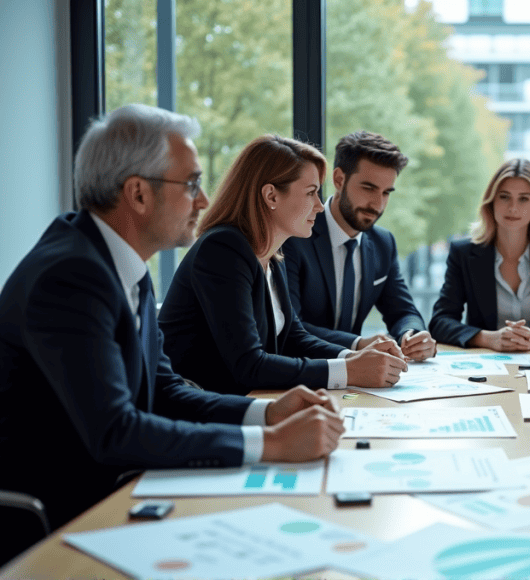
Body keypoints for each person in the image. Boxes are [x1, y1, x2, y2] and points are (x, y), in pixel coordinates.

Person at [0, 105, 344, 551]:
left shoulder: (122, 266)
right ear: (139, 194)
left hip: (116, 490)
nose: (203, 201)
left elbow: (166, 390)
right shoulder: (70, 276)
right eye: (191, 184)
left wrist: (265, 414)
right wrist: (269, 443)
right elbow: (115, 432)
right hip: (57, 518)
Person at [158, 135, 407, 396]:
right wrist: (349, 371)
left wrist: (354, 355)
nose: (320, 206)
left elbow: (292, 337)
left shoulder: (272, 254)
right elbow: (249, 365)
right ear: (271, 196)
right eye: (311, 193)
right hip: (196, 411)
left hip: (242, 401)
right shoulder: (223, 249)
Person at [282, 131, 436, 361]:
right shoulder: (295, 237)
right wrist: (358, 344)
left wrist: (412, 335)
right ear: (338, 180)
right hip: (301, 375)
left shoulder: (383, 243)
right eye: (368, 188)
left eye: (386, 193)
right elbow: (291, 326)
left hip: (354, 386)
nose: (378, 203)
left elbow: (403, 311)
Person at [429, 159, 530, 350]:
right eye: (504, 197)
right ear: (492, 202)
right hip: (484, 365)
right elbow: (440, 322)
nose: (513, 208)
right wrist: (488, 339)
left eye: (523, 198)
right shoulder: (463, 253)